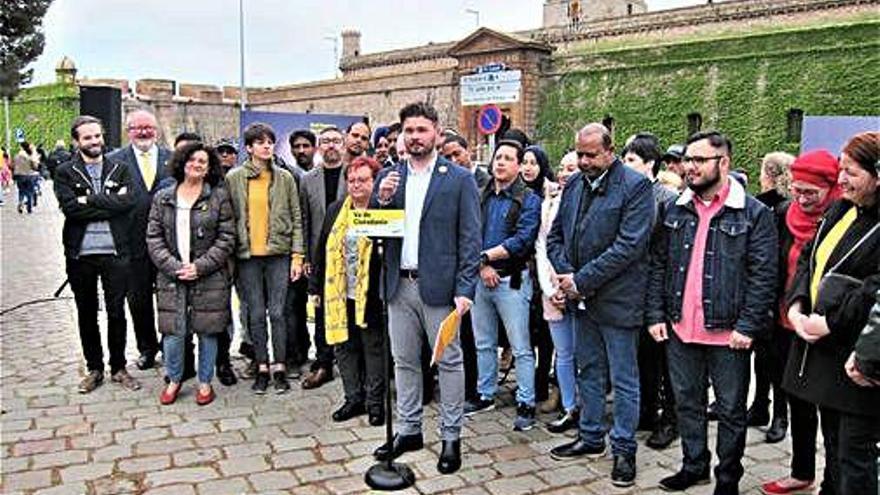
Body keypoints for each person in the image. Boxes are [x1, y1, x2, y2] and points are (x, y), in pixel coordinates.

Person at [647, 131, 778, 495]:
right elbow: (659, 264)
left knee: (732, 411)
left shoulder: (753, 213)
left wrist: (749, 325)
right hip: (679, 328)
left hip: (729, 334)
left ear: (724, 163)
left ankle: (727, 479)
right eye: (688, 159)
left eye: (699, 160)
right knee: (687, 403)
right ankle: (694, 466)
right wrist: (656, 315)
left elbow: (764, 274)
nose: (690, 167)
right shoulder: (675, 208)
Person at [370, 102, 481, 475]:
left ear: (436, 131)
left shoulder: (459, 179)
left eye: (421, 130)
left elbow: (470, 239)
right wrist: (380, 198)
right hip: (398, 286)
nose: (415, 137)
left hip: (442, 288)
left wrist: (466, 289)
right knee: (403, 361)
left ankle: (451, 437)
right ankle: (409, 428)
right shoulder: (390, 175)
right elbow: (371, 228)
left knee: (448, 362)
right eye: (409, 131)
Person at [546, 124, 655, 488]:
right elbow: (556, 235)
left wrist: (580, 280)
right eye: (580, 154)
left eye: (591, 154)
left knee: (624, 378)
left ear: (610, 151)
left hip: (618, 300)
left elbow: (629, 246)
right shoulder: (575, 184)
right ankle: (591, 436)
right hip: (581, 299)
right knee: (587, 369)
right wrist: (565, 274)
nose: (583, 161)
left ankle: (624, 447)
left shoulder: (636, 187)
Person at [782, 131, 879, 495]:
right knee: (836, 442)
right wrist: (795, 306)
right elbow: (810, 256)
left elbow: (875, 287)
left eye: (851, 172)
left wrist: (830, 322)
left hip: (860, 352)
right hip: (822, 345)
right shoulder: (842, 208)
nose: (841, 180)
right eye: (841, 170)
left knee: (855, 452)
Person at [759, 149, 840, 494]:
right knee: (798, 403)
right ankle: (801, 471)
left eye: (812, 192)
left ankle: (834, 482)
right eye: (798, 190)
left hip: (827, 329)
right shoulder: (782, 214)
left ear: (830, 188)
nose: (803, 199)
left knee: (833, 414)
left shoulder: (843, 219)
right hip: (785, 323)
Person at [54, 115, 139, 393]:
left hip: (115, 252)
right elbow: (70, 209)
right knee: (86, 312)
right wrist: (107, 202)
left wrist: (87, 199)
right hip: (81, 255)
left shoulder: (121, 168)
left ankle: (118, 367)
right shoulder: (65, 172)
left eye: (97, 136)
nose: (94, 141)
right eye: (88, 137)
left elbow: (127, 203)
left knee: (117, 312)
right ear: (77, 141)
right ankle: (94, 368)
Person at [146, 142, 234, 406]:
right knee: (173, 333)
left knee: (207, 331)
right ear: (182, 162)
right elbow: (154, 237)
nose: (197, 165)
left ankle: (205, 382)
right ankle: (174, 379)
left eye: (203, 162)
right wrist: (174, 267)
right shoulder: (163, 197)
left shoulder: (218, 197)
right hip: (172, 277)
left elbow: (227, 238)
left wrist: (201, 266)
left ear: (209, 169)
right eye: (192, 160)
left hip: (208, 276)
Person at [465, 139, 541, 431]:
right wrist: (482, 265)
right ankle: (486, 395)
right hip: (480, 277)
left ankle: (526, 401)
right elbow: (469, 232)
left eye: (508, 158)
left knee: (521, 346)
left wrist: (487, 257)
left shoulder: (529, 199)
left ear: (520, 166)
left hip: (512, 280)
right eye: (498, 157)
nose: (500, 162)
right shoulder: (480, 194)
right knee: (483, 342)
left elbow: (522, 240)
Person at [226, 122, 305, 394]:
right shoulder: (234, 177)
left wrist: (297, 256)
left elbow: (297, 218)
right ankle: (261, 366)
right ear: (249, 148)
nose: (267, 146)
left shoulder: (284, 177)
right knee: (256, 313)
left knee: (278, 312)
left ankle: (280, 366)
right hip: (247, 257)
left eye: (270, 141)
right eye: (260, 142)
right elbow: (229, 217)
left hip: (279, 255)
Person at [310, 156, 386, 426]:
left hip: (372, 295)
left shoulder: (382, 211)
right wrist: (315, 287)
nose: (356, 185)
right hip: (340, 293)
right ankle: (353, 398)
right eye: (351, 180)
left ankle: (376, 403)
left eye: (363, 180)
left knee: (373, 349)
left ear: (375, 182)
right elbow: (322, 250)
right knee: (344, 346)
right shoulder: (336, 210)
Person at [621, 133, 681, 450]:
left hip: (660, 292)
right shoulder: (623, 195)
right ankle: (645, 411)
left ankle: (671, 419)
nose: (625, 166)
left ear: (650, 165)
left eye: (631, 160)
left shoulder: (667, 200)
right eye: (624, 159)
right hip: (631, 291)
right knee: (642, 357)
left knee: (665, 361)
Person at [107, 108, 172, 371]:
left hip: (168, 244)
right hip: (132, 244)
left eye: (148, 127)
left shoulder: (173, 159)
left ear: (156, 130)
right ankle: (147, 349)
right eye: (137, 128)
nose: (144, 132)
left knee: (170, 299)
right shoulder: (114, 161)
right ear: (128, 131)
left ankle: (172, 347)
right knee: (138, 299)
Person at [749, 151, 795, 443]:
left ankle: (780, 415)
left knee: (776, 358)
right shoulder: (759, 205)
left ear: (769, 173)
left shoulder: (783, 209)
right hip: (764, 291)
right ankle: (759, 406)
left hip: (777, 294)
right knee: (762, 355)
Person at [299, 126, 348, 389]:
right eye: (326, 141)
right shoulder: (307, 179)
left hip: (350, 253)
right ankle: (323, 363)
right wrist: (306, 256)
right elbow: (304, 220)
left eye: (336, 141)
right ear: (319, 146)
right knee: (320, 311)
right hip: (319, 255)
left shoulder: (354, 175)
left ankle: (350, 362)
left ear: (344, 145)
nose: (331, 145)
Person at [535, 151, 580, 433]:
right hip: (552, 287)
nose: (564, 173)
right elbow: (541, 247)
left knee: (585, 354)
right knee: (563, 353)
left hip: (581, 289)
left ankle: (589, 407)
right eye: (562, 168)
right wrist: (550, 287)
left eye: (571, 168)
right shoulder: (548, 203)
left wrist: (572, 285)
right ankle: (570, 407)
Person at [12, 141, 39, 214]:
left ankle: (20, 202)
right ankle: (29, 207)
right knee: (29, 192)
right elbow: (35, 167)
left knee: (21, 191)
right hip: (29, 175)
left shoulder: (16, 156)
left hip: (19, 176)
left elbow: (12, 166)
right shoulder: (29, 156)